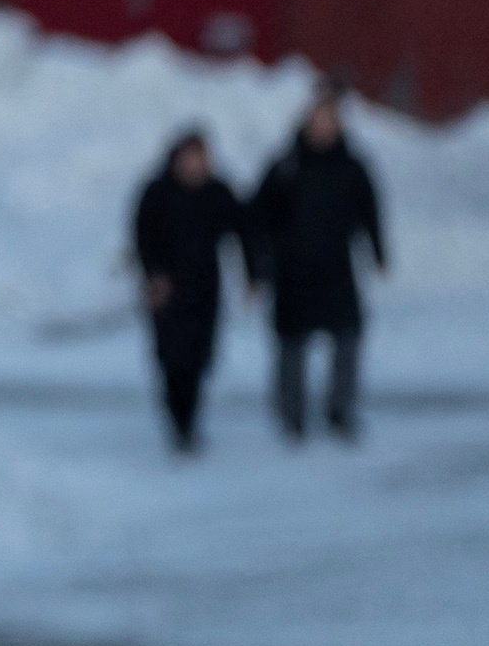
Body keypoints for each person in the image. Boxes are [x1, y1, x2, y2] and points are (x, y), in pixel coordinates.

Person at [248, 86, 388, 445]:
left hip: (336, 267)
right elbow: (259, 216)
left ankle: (340, 409)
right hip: (292, 268)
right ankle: (291, 414)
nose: (324, 127)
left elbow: (370, 211)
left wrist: (377, 250)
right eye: (318, 120)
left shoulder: (352, 167)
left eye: (331, 121)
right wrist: (259, 264)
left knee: (347, 339)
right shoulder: (286, 165)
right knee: (291, 345)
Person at [129, 128, 245, 454]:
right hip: (166, 290)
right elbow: (142, 237)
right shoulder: (157, 193)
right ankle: (177, 422)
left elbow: (243, 230)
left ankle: (190, 421)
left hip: (205, 289)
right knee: (170, 359)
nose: (194, 165)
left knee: (199, 358)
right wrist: (153, 275)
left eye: (200, 158)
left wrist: (255, 272)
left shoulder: (217, 193)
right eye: (188, 158)